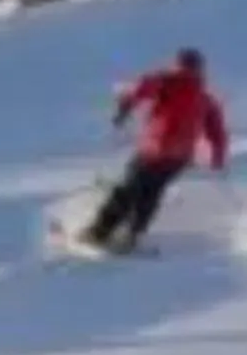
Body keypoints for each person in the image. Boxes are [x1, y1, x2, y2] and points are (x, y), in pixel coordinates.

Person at [80, 45, 228, 252]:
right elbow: (218, 132)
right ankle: (132, 235)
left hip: (155, 150)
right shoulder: (206, 98)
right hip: (180, 158)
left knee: (128, 189)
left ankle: (99, 232)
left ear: (179, 64)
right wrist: (218, 159)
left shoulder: (169, 80)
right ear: (201, 69)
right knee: (150, 193)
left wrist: (124, 106)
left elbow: (141, 87)